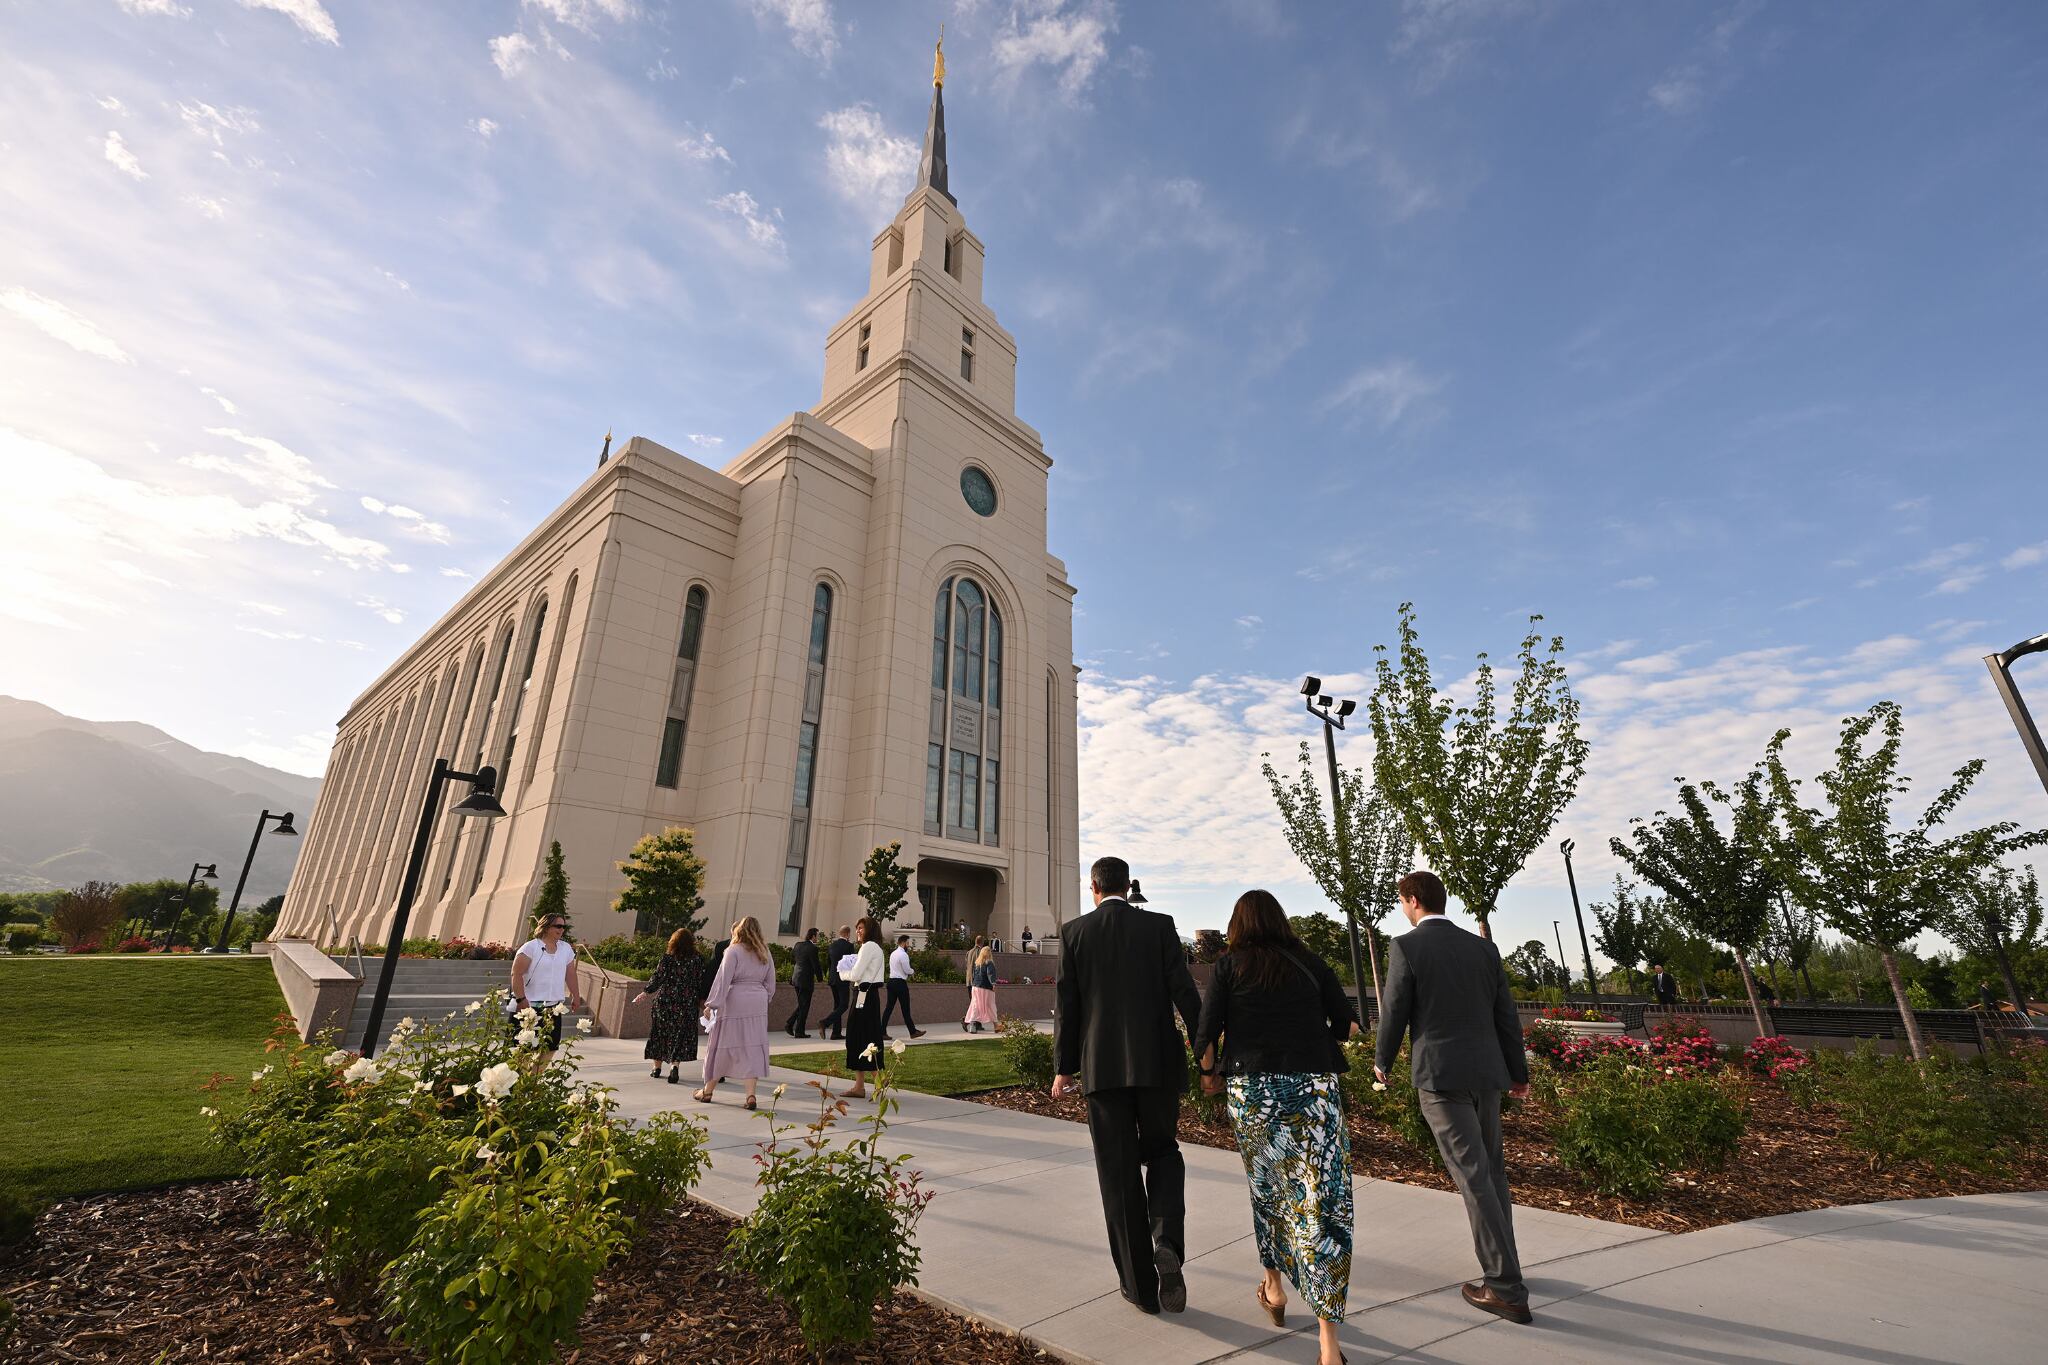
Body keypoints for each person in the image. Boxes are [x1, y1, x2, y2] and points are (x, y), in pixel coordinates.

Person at [1193, 889, 1358, 1365]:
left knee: (1268, 1192)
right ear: (1281, 921)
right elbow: (1347, 1025)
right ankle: (1329, 1346)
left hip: (1254, 1094)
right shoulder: (1309, 961)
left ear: (1238, 925)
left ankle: (1274, 1289)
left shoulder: (1229, 965)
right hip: (1315, 1091)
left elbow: (1207, 1032)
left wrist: (1209, 1076)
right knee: (1321, 1202)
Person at [1375, 871, 1533, 1326]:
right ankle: (1509, 1269)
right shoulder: (1483, 947)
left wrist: (1383, 1061)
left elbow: (1395, 1010)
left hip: (1441, 1077)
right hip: (1487, 1075)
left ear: (1412, 901)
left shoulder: (1406, 947)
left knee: (1473, 1176)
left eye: (1402, 902)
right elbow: (1506, 1015)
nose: (1402, 909)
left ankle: (1505, 1288)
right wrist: (1517, 1074)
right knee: (1492, 1172)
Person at [1053, 856, 1202, 1317]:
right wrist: (1206, 1054)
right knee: (1163, 1152)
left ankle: (1139, 1287)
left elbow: (1068, 1005)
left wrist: (1064, 1067)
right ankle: (1167, 1241)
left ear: (1094, 887)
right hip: (1156, 1065)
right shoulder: (1160, 927)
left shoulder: (1075, 933)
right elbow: (1185, 992)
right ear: (1127, 884)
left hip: (1102, 1070)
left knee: (1117, 1175)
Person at [695, 916, 773, 1109]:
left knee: (723, 1044)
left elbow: (723, 979)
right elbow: (770, 983)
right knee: (752, 1047)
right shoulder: (765, 951)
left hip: (735, 998)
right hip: (757, 1002)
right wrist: (764, 998)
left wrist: (711, 1004)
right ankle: (750, 1096)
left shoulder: (732, 950)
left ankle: (707, 1091)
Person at [634, 928, 709, 1083]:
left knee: (660, 1033)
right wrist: (703, 1002)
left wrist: (645, 993)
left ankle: (656, 1068)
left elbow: (658, 977)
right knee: (679, 1035)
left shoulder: (667, 958)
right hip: (687, 1003)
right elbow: (702, 982)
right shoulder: (699, 959)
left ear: (673, 941)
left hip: (665, 1001)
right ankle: (675, 1066)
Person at [510, 912, 585, 1061]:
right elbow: (516, 974)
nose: (562, 929)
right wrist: (520, 999)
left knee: (550, 1049)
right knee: (525, 1050)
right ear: (545, 926)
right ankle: (520, 1082)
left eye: (564, 926)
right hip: (530, 1007)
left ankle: (533, 1082)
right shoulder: (531, 947)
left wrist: (575, 995)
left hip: (553, 1008)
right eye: (558, 926)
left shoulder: (565, 949)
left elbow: (570, 975)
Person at [839, 917, 888, 1099]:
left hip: (864, 996)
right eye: (857, 928)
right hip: (867, 996)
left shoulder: (868, 947)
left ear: (870, 930)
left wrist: (842, 972)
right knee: (862, 1036)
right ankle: (860, 1086)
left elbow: (856, 974)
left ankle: (878, 1082)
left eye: (861, 928)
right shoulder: (875, 948)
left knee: (861, 1037)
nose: (858, 931)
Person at [880, 933, 927, 1039]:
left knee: (888, 1008)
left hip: (891, 982)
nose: (908, 945)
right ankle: (913, 1032)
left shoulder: (893, 954)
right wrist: (913, 971)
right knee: (905, 1009)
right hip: (900, 984)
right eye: (908, 943)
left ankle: (882, 1032)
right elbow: (907, 969)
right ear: (904, 943)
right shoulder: (903, 955)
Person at [786, 926, 822, 1037]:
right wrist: (820, 978)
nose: (818, 938)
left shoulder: (798, 945)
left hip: (796, 978)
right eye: (818, 936)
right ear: (813, 936)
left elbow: (794, 959)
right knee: (804, 1006)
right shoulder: (813, 948)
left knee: (802, 1004)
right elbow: (815, 965)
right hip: (805, 980)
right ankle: (799, 1031)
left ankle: (790, 1024)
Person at [821, 924, 856, 1040]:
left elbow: (828, 962)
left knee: (837, 1005)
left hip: (832, 979)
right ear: (847, 934)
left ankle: (836, 1033)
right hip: (843, 978)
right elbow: (852, 962)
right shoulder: (849, 946)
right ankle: (825, 1023)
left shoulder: (832, 945)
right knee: (844, 1005)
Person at [964, 945, 999, 1033]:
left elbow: (974, 975)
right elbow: (990, 974)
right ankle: (996, 1025)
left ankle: (972, 1026)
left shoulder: (977, 963)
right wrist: (993, 984)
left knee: (975, 1006)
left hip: (975, 987)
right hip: (986, 987)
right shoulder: (989, 962)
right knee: (990, 1005)